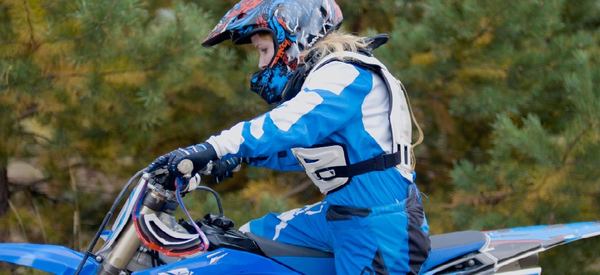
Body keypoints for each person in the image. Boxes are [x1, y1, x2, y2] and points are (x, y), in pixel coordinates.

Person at [146, 0, 430, 273]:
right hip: (339, 215)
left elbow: (293, 124)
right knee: (242, 243)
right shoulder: (327, 77)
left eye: (264, 49)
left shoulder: (345, 72)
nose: (260, 64)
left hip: (380, 223)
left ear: (294, 39)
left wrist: (215, 147)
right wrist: (234, 158)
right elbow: (303, 152)